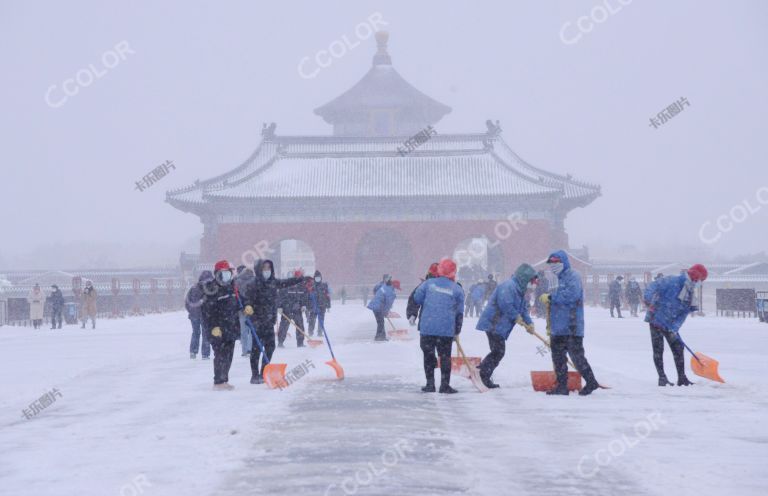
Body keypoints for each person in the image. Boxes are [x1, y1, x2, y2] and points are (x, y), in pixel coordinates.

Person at [540, 250, 600, 396]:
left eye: (556, 262)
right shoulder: (558, 278)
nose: (553, 265)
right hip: (559, 326)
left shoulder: (573, 276)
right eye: (551, 263)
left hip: (571, 325)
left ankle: (591, 381)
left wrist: (551, 298)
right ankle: (561, 386)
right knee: (558, 358)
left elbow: (572, 296)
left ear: (563, 262)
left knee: (577, 356)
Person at [643, 264, 708, 387]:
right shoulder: (672, 281)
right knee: (658, 349)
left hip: (670, 324)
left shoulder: (689, 293)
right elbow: (653, 286)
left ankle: (682, 378)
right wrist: (649, 300)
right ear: (695, 276)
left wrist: (674, 328)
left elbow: (683, 313)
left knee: (678, 348)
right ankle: (662, 378)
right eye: (701, 280)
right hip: (656, 318)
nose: (700, 283)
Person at [476, 264, 539, 389]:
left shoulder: (520, 291)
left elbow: (524, 309)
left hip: (500, 326)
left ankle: (483, 372)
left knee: (497, 351)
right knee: (498, 351)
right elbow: (506, 304)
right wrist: (516, 317)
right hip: (493, 323)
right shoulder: (509, 286)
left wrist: (529, 323)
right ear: (524, 279)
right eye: (531, 281)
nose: (532, 285)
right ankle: (483, 374)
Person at [243, 259, 305, 384]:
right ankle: (255, 375)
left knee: (270, 347)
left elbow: (285, 283)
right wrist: (248, 307)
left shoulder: (272, 282)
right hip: (256, 321)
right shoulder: (253, 284)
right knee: (256, 349)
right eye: (264, 268)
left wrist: (300, 279)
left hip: (269, 320)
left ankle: (264, 372)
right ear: (259, 270)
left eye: (269, 268)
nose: (267, 271)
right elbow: (246, 300)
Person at [413, 258, 464, 394]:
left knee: (428, 356)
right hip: (445, 329)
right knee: (445, 357)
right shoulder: (457, 289)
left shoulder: (428, 284)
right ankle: (444, 385)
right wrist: (457, 329)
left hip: (428, 327)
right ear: (453, 272)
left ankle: (430, 384)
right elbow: (459, 312)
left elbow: (417, 298)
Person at [202, 260, 240, 390]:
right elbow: (207, 311)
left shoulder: (232, 287)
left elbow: (238, 302)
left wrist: (246, 306)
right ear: (217, 274)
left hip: (231, 327)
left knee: (229, 355)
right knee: (220, 355)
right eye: (224, 273)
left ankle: (224, 379)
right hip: (216, 329)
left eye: (228, 273)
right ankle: (218, 381)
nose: (227, 276)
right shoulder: (211, 289)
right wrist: (213, 327)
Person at [277, 269, 309, 347]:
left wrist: (304, 305)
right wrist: (279, 306)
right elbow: (280, 296)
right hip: (286, 310)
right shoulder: (286, 285)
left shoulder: (302, 286)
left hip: (297, 310)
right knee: (283, 327)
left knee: (300, 326)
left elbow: (304, 296)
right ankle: (280, 342)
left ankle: (300, 343)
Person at [185, 271, 212, 360]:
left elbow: (187, 301)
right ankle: (205, 354)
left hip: (194, 315)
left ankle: (193, 351)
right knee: (205, 334)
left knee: (195, 333)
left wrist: (191, 311)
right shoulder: (208, 288)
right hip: (205, 315)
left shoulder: (193, 288)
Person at [407, 262, 439, 327]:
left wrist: (412, 314)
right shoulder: (447, 286)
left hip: (426, 322)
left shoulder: (424, 286)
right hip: (443, 325)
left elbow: (414, 299)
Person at [367, 275, 398, 341]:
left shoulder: (385, 287)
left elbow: (378, 293)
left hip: (376, 305)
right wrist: (385, 312)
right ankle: (379, 337)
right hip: (378, 306)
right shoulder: (390, 291)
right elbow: (388, 304)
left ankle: (381, 336)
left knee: (380, 321)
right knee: (380, 322)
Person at [234, 265, 254, 357]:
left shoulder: (237, 281)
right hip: (252, 309)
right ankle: (250, 349)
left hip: (241, 309)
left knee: (243, 331)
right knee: (251, 330)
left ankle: (244, 350)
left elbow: (236, 296)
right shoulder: (254, 280)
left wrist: (240, 306)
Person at [307, 270, 331, 336]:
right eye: (316, 278)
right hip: (313, 306)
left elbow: (327, 296)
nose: (318, 279)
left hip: (322, 306)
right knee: (312, 320)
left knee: (321, 320)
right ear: (314, 278)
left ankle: (320, 332)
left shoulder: (324, 286)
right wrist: (308, 306)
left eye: (319, 278)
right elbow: (308, 297)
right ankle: (310, 332)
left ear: (321, 278)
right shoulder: (312, 287)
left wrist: (328, 305)